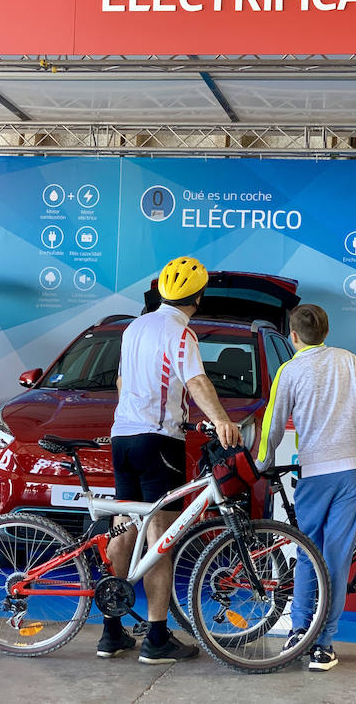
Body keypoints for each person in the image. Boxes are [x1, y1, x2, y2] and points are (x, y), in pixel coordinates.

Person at [255, 303, 356, 671]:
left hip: (314, 475)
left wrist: (260, 464)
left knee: (306, 553)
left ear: (293, 337)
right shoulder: (347, 360)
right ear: (326, 333)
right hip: (350, 472)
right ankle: (324, 645)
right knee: (336, 557)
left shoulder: (289, 370)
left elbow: (273, 426)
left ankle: (299, 632)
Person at [98, 255, 242, 663]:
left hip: (122, 437)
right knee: (161, 537)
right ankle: (157, 638)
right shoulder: (182, 334)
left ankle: (111, 631)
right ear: (199, 295)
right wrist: (221, 421)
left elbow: (122, 381)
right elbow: (196, 380)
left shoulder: (134, 327)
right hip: (158, 442)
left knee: (125, 530)